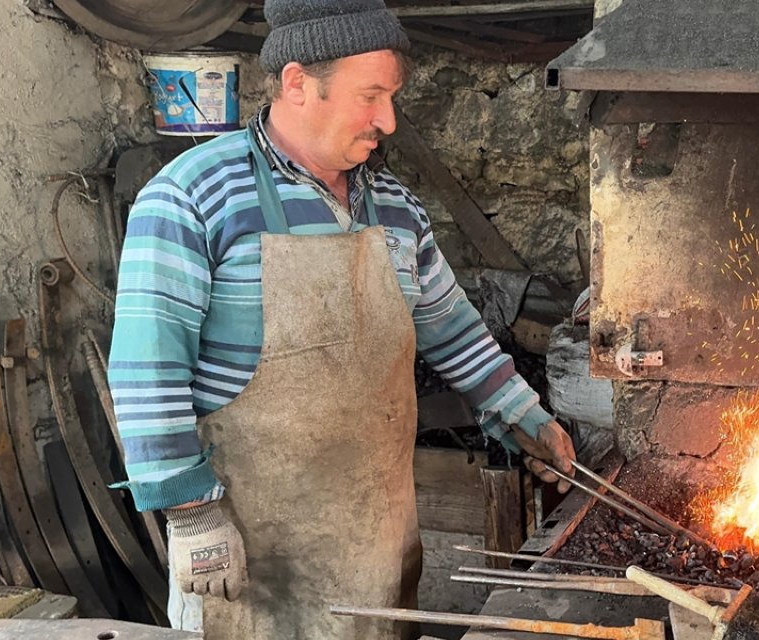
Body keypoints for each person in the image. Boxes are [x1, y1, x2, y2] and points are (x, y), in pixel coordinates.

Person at [107, 1, 576, 636]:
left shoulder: (397, 210)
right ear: (298, 83)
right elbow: (147, 375)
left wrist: (526, 417)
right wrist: (190, 513)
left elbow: (453, 330)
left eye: (392, 97)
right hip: (250, 560)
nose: (387, 119)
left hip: (376, 548)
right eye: (371, 95)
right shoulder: (192, 197)